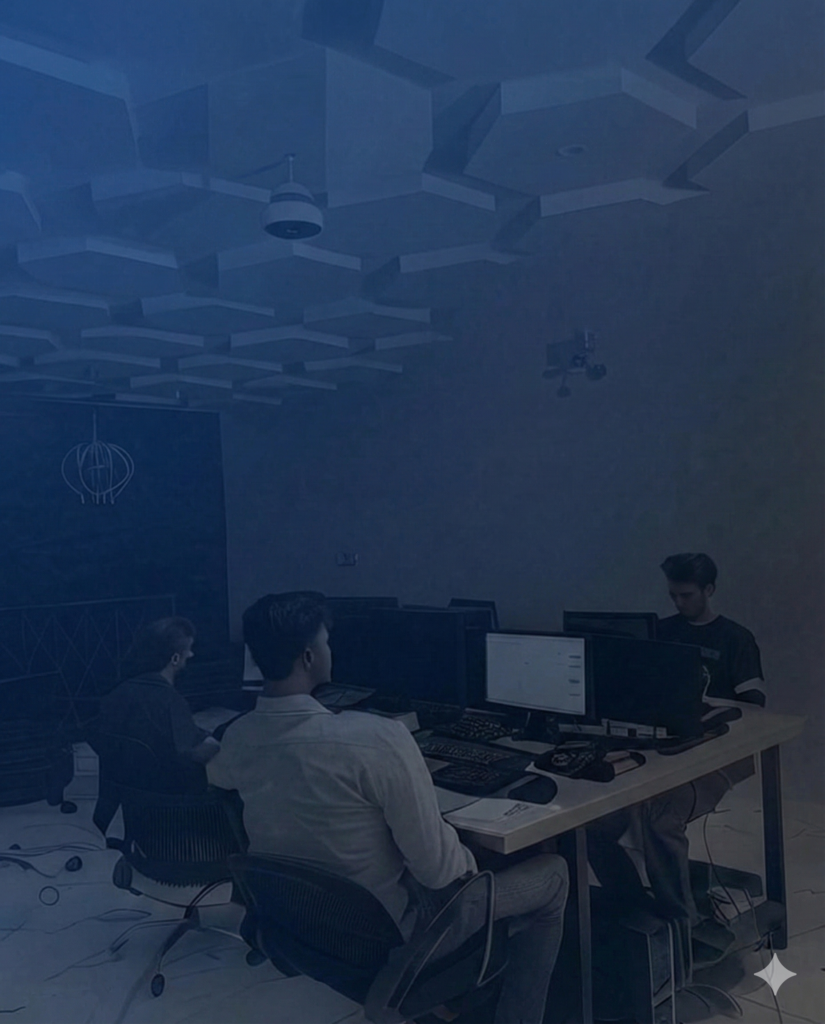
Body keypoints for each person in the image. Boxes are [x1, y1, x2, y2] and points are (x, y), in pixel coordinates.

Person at [208, 592, 569, 1024]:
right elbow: (441, 873)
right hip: (390, 941)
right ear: (308, 656)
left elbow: (219, 777)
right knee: (553, 874)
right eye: (326, 641)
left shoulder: (239, 737)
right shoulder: (377, 740)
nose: (330, 649)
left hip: (303, 928)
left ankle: (457, 1003)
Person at [588, 554, 766, 950]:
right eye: (673, 595)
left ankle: (683, 926)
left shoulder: (735, 638)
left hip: (720, 752)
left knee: (659, 816)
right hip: (665, 749)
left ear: (709, 590)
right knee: (591, 822)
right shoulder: (662, 632)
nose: (679, 603)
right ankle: (634, 907)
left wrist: (704, 705)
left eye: (687, 595)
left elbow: (755, 705)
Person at [93, 617, 220, 831]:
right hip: (171, 808)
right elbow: (191, 755)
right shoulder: (171, 702)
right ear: (175, 658)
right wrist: (217, 746)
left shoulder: (116, 694)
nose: (191, 655)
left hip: (129, 804)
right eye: (188, 650)